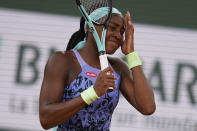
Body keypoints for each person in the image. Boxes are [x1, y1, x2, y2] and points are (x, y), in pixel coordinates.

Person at [39, 7, 156, 131]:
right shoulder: (62, 61)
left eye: (122, 32)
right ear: (90, 27)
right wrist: (93, 93)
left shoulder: (118, 67)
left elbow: (148, 108)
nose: (118, 36)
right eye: (112, 28)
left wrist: (131, 53)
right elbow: (46, 119)